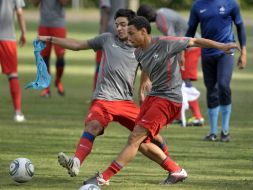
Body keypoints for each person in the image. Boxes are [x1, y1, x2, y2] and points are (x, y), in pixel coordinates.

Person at [83, 16, 239, 186]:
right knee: (141, 143)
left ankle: (103, 178)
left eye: (132, 34)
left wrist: (222, 46)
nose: (128, 38)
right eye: (127, 35)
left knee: (135, 138)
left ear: (144, 32)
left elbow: (195, 41)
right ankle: (176, 170)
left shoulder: (165, 43)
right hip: (154, 97)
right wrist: (144, 85)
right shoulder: (138, 52)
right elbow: (146, 69)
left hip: (169, 99)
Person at [38, 9, 169, 178]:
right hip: (103, 99)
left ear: (132, 26)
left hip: (125, 102)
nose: (119, 29)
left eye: (123, 25)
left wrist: (144, 82)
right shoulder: (107, 39)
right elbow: (77, 45)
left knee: (153, 137)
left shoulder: (139, 47)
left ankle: (171, 165)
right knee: (93, 125)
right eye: (117, 25)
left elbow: (148, 66)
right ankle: (76, 162)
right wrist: (50, 39)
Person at [186, 0, 247, 141]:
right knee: (211, 90)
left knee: (223, 86)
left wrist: (243, 51)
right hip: (207, 54)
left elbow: (240, 26)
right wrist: (182, 52)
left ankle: (225, 131)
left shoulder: (231, 3)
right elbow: (190, 31)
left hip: (226, 52)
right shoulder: (197, 6)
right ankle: (213, 133)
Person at [137, 5, 204, 127]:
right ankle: (178, 115)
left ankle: (197, 116)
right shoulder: (162, 11)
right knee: (178, 79)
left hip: (191, 47)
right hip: (187, 46)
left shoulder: (160, 21)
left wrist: (180, 55)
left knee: (185, 79)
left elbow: (173, 40)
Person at [32, 0, 69, 97]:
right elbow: (34, 3)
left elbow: (64, 2)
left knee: (60, 56)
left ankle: (58, 81)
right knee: (44, 58)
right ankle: (46, 88)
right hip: (44, 25)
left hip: (58, 25)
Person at [0, 0, 26, 122]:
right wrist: (24, 32)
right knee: (12, 74)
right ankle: (18, 112)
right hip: (7, 37)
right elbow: (20, 12)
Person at [93, 0, 128, 89]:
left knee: (100, 64)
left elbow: (106, 10)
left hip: (109, 31)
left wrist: (101, 36)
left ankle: (96, 92)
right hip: (122, 32)